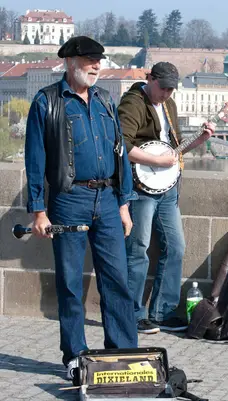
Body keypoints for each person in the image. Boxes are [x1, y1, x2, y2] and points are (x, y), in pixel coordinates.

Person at [24, 36, 138, 380]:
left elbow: (120, 155)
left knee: (117, 280)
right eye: (89, 60)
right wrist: (38, 211)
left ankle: (124, 354)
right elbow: (35, 161)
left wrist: (123, 204)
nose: (96, 65)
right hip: (69, 200)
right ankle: (75, 355)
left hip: (106, 200)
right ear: (70, 62)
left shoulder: (105, 100)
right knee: (71, 283)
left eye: (99, 60)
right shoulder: (47, 102)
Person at [118, 62, 215, 334]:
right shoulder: (133, 102)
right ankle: (132, 313)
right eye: (163, 88)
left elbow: (175, 148)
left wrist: (200, 140)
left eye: (172, 89)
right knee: (138, 250)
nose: (167, 94)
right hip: (141, 188)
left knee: (176, 247)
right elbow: (122, 145)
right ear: (150, 79)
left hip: (167, 188)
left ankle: (162, 311)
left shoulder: (168, 105)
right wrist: (155, 160)